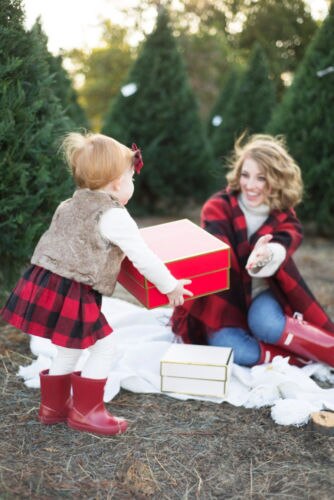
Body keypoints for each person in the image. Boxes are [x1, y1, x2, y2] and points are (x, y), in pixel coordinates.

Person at [0, 132, 193, 435]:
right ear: (116, 182)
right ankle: (87, 411)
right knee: (106, 347)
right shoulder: (113, 216)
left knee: (69, 346)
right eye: (132, 178)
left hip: (49, 282)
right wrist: (170, 286)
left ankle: (53, 407)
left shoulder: (68, 204)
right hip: (75, 288)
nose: (133, 184)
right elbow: (143, 257)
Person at [171, 134, 334, 368]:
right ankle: (293, 357)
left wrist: (265, 255)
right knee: (237, 351)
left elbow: (282, 245)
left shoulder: (284, 216)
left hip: (261, 292)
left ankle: (330, 352)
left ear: (277, 180)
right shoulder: (218, 206)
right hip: (226, 297)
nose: (250, 185)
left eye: (261, 178)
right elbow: (216, 246)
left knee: (266, 325)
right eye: (245, 175)